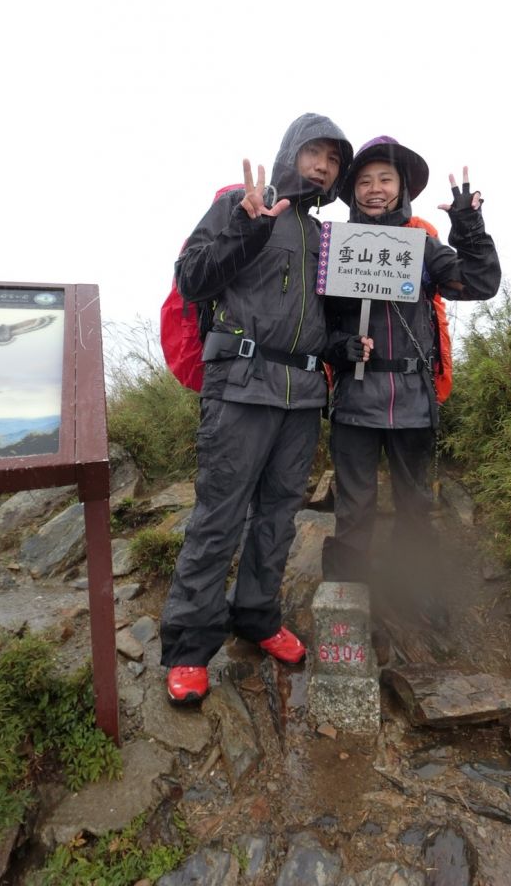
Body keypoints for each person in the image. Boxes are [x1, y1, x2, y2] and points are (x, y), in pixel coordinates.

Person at [160, 113, 353, 704]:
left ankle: (258, 617)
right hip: (241, 384)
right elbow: (191, 279)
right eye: (315, 153)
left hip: (301, 396)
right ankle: (190, 647)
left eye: (333, 160)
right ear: (291, 150)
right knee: (218, 516)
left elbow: (327, 321)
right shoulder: (238, 203)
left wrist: (344, 348)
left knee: (278, 517)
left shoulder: (326, 237)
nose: (323, 166)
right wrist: (246, 228)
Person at [322, 136, 501, 601]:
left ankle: (417, 594)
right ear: (353, 191)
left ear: (401, 188)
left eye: (385, 179)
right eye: (364, 181)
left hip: (415, 400)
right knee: (354, 508)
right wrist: (341, 346)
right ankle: (348, 601)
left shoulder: (421, 245)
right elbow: (317, 325)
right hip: (354, 403)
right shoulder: (334, 247)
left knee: (417, 505)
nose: (374, 189)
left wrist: (468, 225)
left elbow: (481, 282)